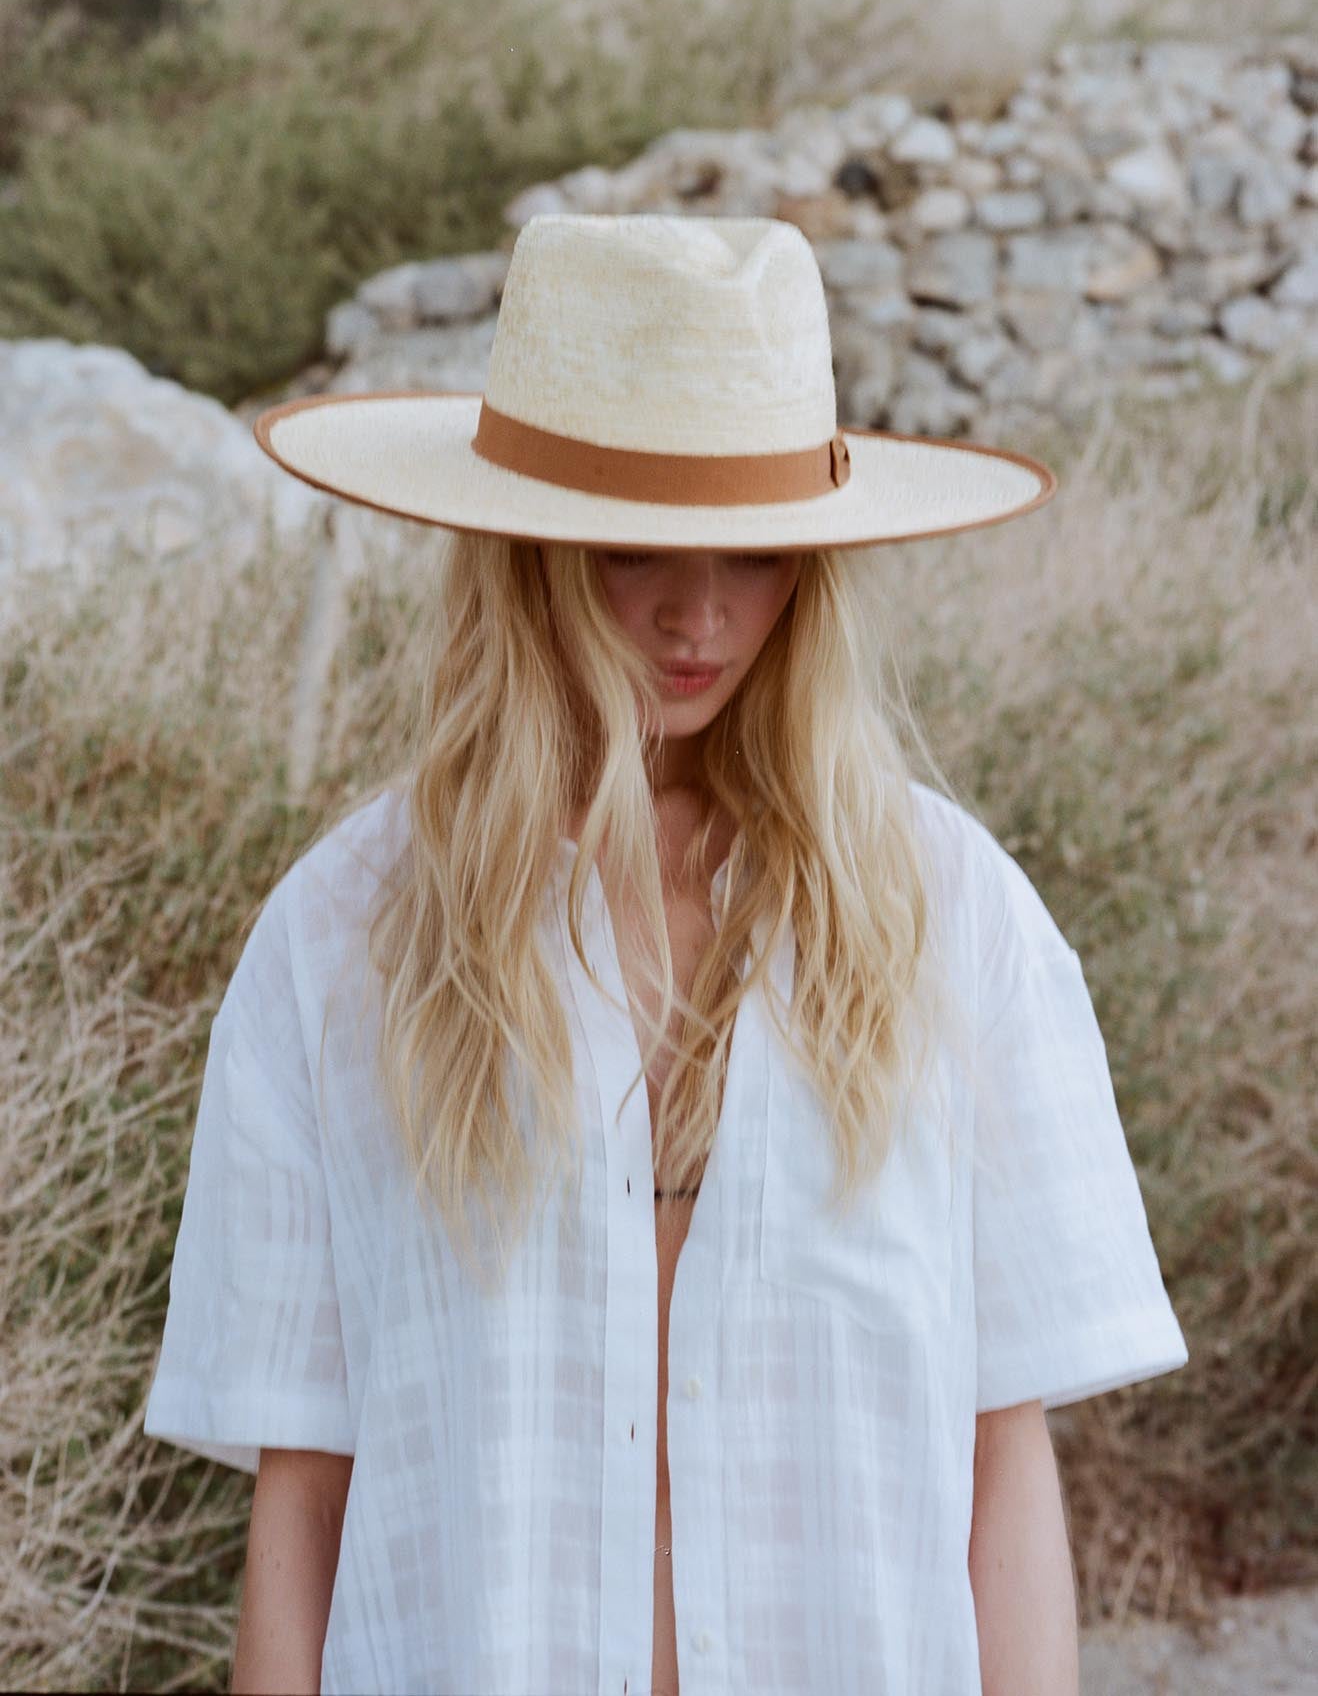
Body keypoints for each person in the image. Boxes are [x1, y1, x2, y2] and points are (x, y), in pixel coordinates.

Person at [143, 212, 1189, 1696]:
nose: (699, 615)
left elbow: (1000, 1459)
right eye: (632, 546)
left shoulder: (954, 920)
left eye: (755, 556)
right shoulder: (342, 941)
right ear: (529, 552)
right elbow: (302, 1498)